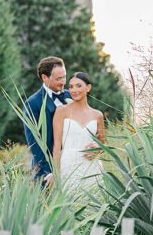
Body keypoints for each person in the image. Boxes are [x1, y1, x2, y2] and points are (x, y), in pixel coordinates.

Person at [52, 71, 105, 191]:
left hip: (92, 167)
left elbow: (103, 144)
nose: (74, 90)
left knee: (94, 204)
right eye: (71, 86)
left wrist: (97, 148)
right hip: (68, 165)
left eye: (79, 85)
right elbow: (56, 147)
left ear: (88, 87)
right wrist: (56, 173)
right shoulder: (62, 111)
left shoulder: (98, 115)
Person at [23, 56, 71, 184]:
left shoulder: (71, 96)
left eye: (64, 77)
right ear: (45, 77)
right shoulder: (33, 103)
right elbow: (34, 143)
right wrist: (49, 172)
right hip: (48, 171)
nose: (63, 82)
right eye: (58, 79)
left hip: (73, 165)